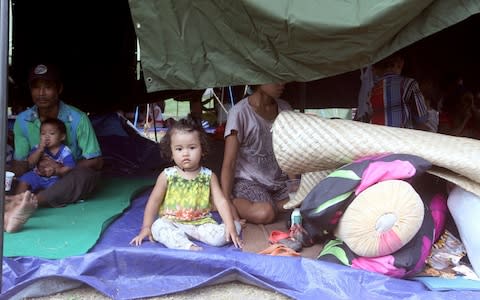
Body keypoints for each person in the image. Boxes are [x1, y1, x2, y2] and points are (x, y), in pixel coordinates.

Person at [4, 63, 103, 233]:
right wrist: (29, 165)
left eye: (48, 87)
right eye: (36, 88)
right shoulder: (23, 120)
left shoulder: (77, 118)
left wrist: (60, 169)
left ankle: (25, 202)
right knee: (10, 173)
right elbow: (20, 164)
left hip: (66, 177)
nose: (41, 93)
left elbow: (97, 161)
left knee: (85, 176)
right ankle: (16, 202)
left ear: (59, 89)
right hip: (36, 175)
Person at [130, 115, 242, 250]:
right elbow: (153, 202)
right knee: (158, 227)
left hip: (202, 225)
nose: (185, 153)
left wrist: (229, 224)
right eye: (179, 149)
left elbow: (221, 201)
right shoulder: (167, 176)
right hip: (172, 223)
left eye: (192, 147)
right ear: (171, 152)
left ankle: (234, 225)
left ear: (203, 150)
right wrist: (146, 227)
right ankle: (186, 245)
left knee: (226, 232)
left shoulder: (209, 176)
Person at [220, 83, 294, 225]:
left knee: (312, 198)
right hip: (249, 182)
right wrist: (225, 200)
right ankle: (236, 202)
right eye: (275, 78)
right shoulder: (240, 112)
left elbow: (290, 152)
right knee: (264, 213)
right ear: (258, 79)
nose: (282, 83)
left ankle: (277, 205)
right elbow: (230, 162)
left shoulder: (285, 109)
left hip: (279, 183)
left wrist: (295, 186)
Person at [358, 52, 430, 130]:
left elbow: (366, 114)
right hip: (400, 136)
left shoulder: (371, 91)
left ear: (374, 69)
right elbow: (422, 118)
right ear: (400, 64)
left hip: (377, 135)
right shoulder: (409, 84)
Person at [14, 118, 76, 194]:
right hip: (37, 175)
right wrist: (40, 150)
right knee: (25, 179)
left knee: (60, 188)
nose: (47, 137)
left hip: (55, 178)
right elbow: (30, 163)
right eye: (43, 134)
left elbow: (70, 167)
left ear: (62, 137)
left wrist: (57, 171)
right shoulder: (38, 148)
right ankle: (18, 199)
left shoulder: (65, 151)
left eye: (52, 133)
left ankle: (44, 197)